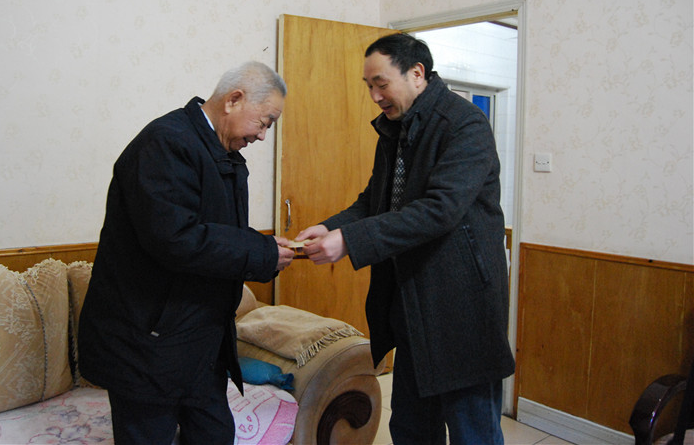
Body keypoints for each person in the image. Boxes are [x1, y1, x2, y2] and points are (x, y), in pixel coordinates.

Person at [296, 34, 515, 445]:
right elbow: (375, 200)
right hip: (411, 305)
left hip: (460, 308)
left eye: (381, 84)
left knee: (473, 432)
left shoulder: (465, 124)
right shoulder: (396, 129)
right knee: (411, 428)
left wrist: (350, 240)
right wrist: (331, 227)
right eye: (369, 86)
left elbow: (439, 209)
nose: (375, 96)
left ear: (417, 73)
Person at [78, 61, 296, 445]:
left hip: (199, 342)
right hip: (147, 344)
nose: (263, 136)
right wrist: (260, 253)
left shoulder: (221, 152)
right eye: (265, 122)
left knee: (214, 433)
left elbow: (215, 232)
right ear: (233, 100)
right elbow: (176, 239)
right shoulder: (166, 143)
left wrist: (267, 248)